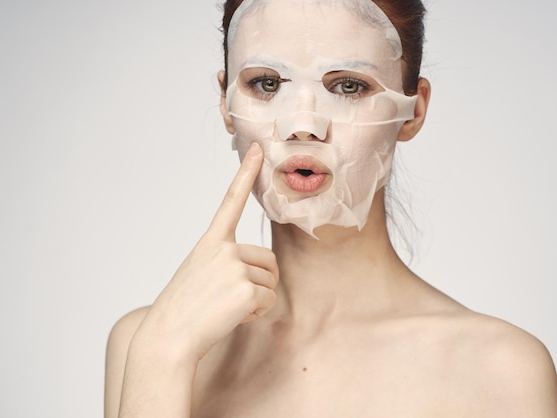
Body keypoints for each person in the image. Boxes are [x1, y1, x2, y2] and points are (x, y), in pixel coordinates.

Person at [105, 0, 557, 416]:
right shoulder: (148, 342)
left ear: (413, 111)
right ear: (226, 102)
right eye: (266, 83)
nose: (303, 126)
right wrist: (161, 355)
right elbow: (157, 351)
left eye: (347, 86)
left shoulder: (501, 372)